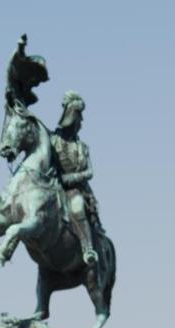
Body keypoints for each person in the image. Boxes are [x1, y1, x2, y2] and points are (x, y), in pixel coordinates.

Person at [51, 91, 102, 268]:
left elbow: (90, 172)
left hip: (75, 190)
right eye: (79, 116)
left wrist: (70, 177)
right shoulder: (53, 140)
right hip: (54, 187)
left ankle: (87, 247)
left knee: (78, 206)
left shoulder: (82, 147)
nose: (81, 122)